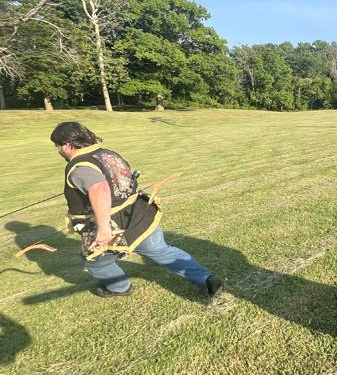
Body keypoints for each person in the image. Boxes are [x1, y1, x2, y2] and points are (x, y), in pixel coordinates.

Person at [50, 121, 223, 298]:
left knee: (96, 262)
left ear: (68, 145)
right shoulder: (106, 153)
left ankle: (119, 287)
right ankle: (206, 279)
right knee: (162, 251)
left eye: (58, 146)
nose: (58, 151)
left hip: (114, 225)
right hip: (139, 215)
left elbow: (99, 188)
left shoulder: (80, 167)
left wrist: (103, 229)